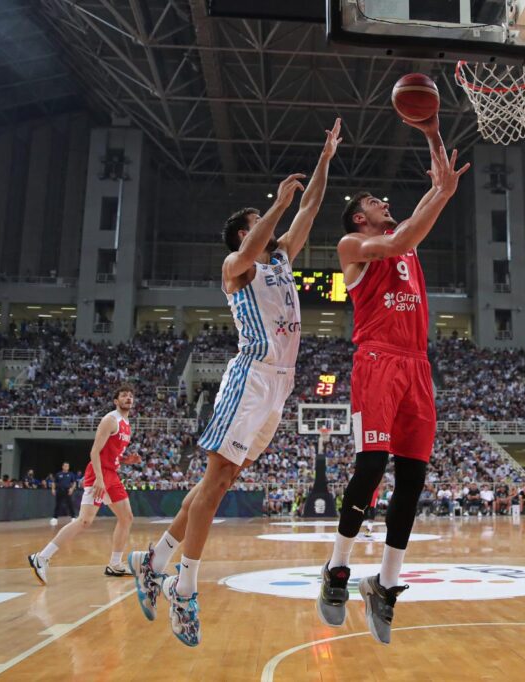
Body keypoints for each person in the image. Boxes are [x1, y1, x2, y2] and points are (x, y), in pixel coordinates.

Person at [127, 120, 341, 648]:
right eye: (258, 224)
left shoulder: (281, 258)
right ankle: (184, 587)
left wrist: (325, 158)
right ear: (246, 234)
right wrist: (277, 206)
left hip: (280, 385)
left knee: (217, 483)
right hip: (249, 378)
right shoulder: (236, 267)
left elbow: (310, 209)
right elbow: (269, 231)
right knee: (217, 481)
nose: (268, 231)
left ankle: (151, 561)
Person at [316, 112, 469, 645]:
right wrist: (440, 196)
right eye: (374, 201)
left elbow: (428, 203)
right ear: (358, 219)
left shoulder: (407, 238)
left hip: (417, 364)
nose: (384, 202)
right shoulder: (352, 248)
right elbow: (404, 237)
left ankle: (386, 581)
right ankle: (337, 567)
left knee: (413, 479)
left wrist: (432, 138)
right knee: (372, 465)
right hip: (377, 360)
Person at [28, 385, 140, 584]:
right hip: (99, 474)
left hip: (111, 474)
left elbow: (111, 453)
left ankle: (115, 564)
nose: (128, 398)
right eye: (123, 395)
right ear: (116, 400)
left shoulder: (127, 423)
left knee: (126, 517)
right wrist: (98, 478)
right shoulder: (110, 420)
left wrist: (125, 461)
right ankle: (41, 557)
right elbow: (94, 451)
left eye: (130, 396)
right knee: (84, 521)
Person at [50, 462, 77, 526]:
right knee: (58, 504)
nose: (66, 467)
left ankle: (73, 517)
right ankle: (55, 518)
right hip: (59, 490)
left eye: (67, 466)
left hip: (67, 491)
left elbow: (74, 483)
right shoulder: (58, 474)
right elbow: (54, 482)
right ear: (62, 467)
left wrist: (72, 489)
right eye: (65, 466)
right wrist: (53, 489)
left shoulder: (71, 474)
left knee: (70, 504)